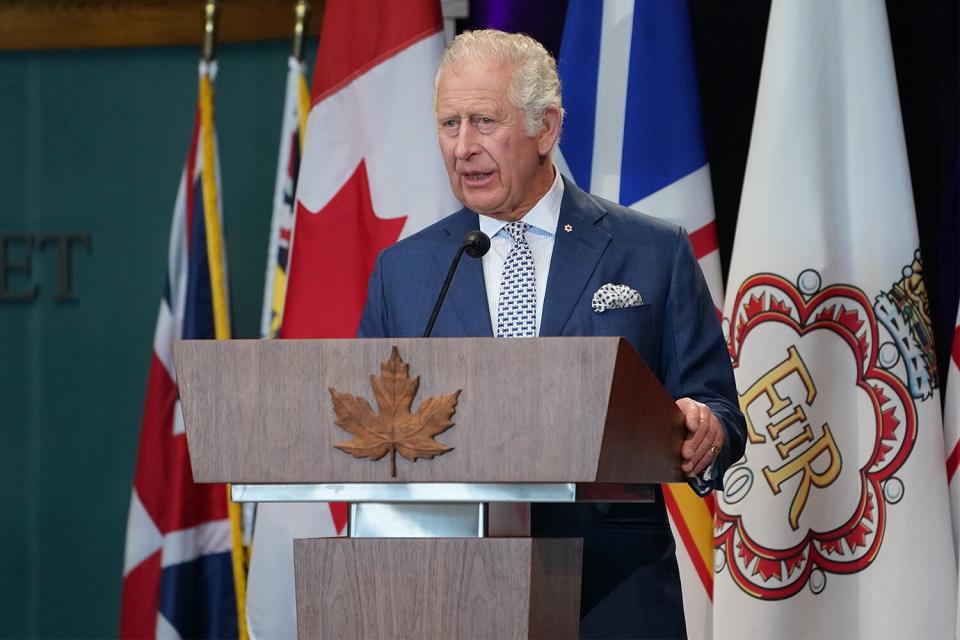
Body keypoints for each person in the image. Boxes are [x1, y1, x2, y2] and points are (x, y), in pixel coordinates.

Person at [359, 29, 746, 639]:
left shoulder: (651, 252)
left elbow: (720, 406)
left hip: (615, 589)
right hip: (449, 590)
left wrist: (708, 426)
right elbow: (368, 437)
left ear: (547, 128)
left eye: (485, 121)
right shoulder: (404, 273)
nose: (463, 147)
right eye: (449, 123)